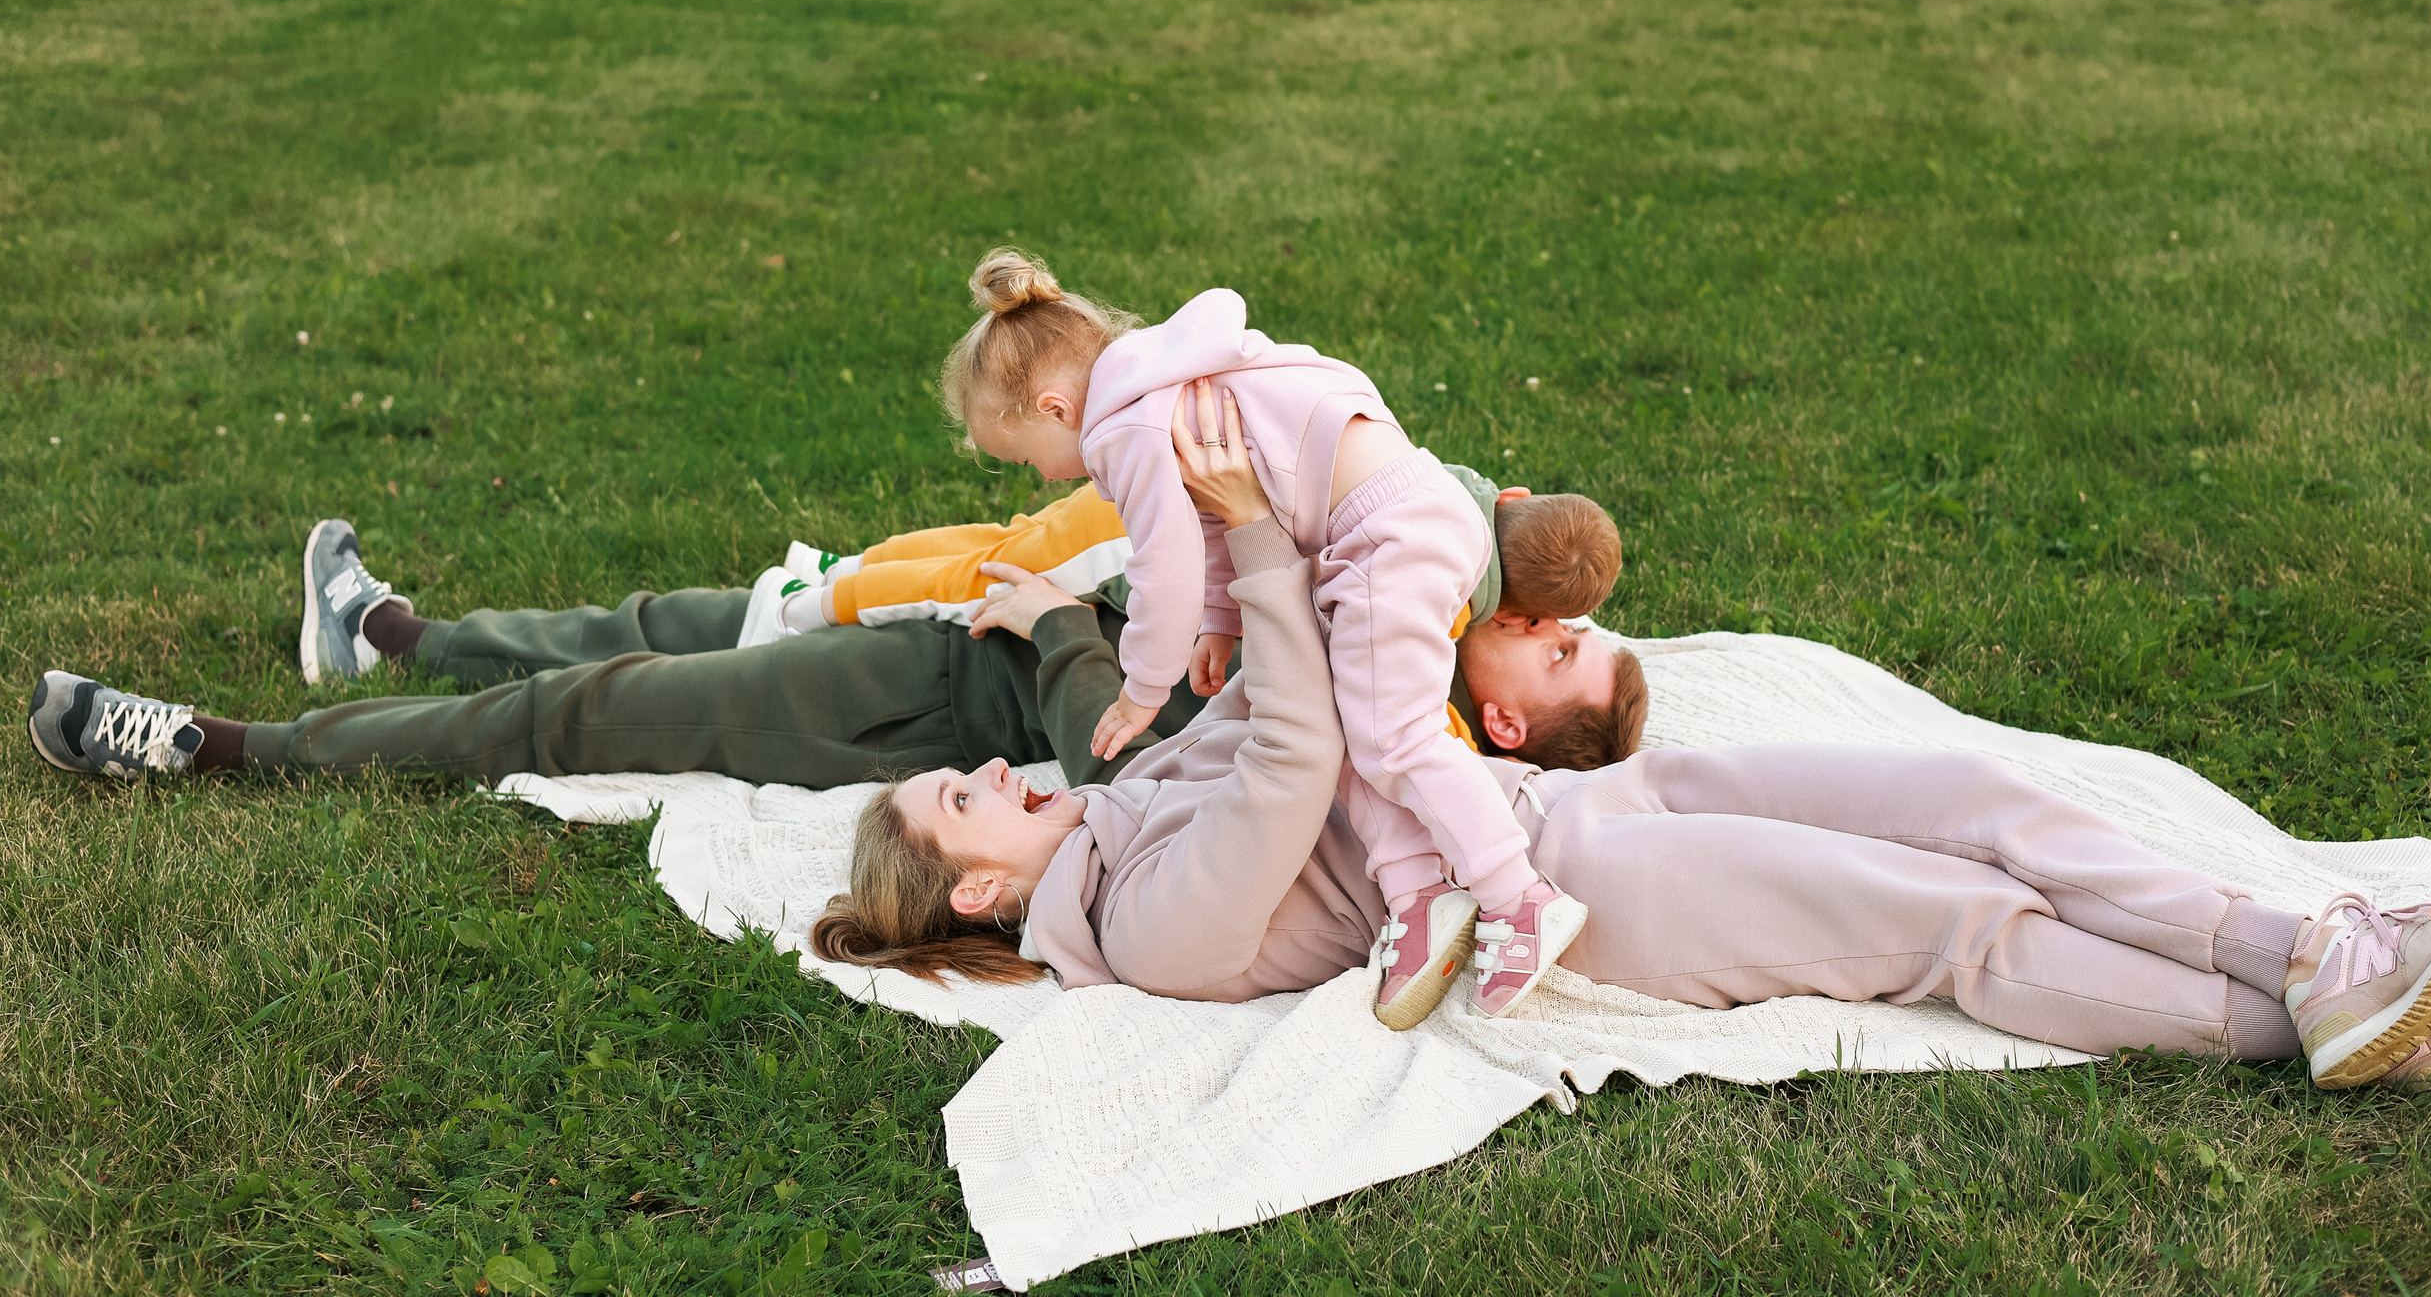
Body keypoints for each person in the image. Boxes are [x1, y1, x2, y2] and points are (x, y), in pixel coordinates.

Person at [812, 394, 2431, 1092]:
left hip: (1573, 802)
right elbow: (1289, 767)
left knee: (1975, 795)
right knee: (1947, 921)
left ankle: (2324, 954)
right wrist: (1260, 550)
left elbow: (1270, 698)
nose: (1006, 779)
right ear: (972, 889)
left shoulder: (1117, 812)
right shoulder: (1143, 929)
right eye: (974, 799)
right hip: (1590, 889)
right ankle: (2315, 1018)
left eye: (978, 768)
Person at [939, 250, 1642, 1024]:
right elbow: (1211, 521)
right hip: (1399, 514)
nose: (1041, 478)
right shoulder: (1169, 378)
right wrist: (1219, 621)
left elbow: (1162, 564)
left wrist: (1144, 685)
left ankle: (1519, 897)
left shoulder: (1118, 426)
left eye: (1024, 459)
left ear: (1051, 408)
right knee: (1350, 721)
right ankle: (1418, 893)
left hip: (1384, 535)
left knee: (1396, 736)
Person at [23, 484, 1635, 790]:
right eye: (1567, 618)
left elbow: (1123, 766)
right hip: (994, 612)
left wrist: (1061, 618)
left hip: (948, 692)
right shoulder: (1413, 614)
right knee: (686, 612)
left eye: (1564, 651)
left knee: (606, 706)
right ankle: (391, 628)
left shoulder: (1386, 724)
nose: (1550, 622)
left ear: (1509, 725)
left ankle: (219, 747)